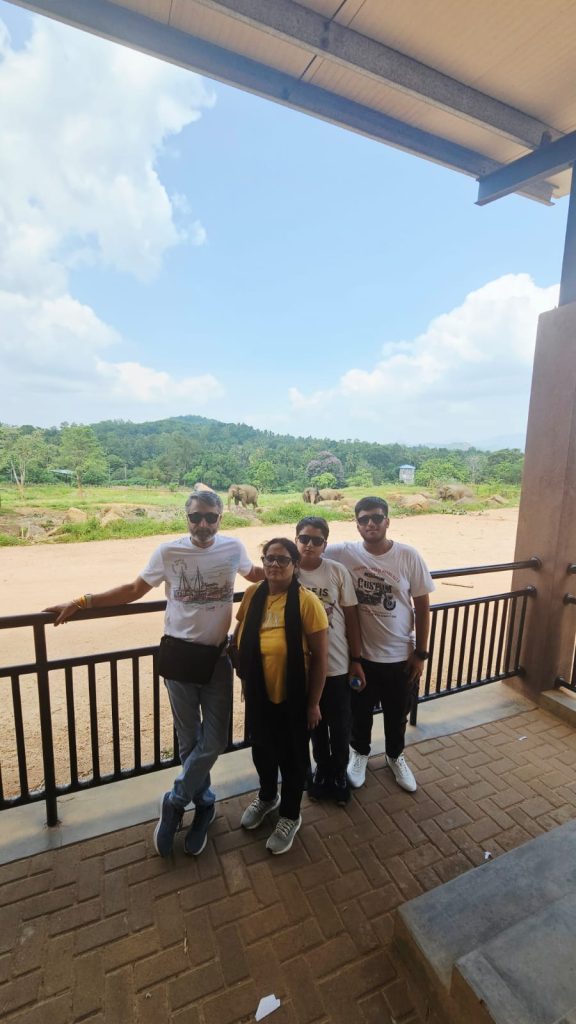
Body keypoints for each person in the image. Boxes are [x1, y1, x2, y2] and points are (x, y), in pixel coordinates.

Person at [44, 488, 263, 858]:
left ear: (221, 518)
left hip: (217, 659)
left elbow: (258, 573)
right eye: (196, 517)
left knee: (214, 740)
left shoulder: (233, 547)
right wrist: (82, 601)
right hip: (179, 659)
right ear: (186, 518)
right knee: (189, 741)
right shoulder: (168, 551)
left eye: (211, 517)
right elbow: (133, 590)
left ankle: (175, 801)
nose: (203, 524)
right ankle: (204, 804)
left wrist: (303, 565)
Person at [327, 496, 434, 793]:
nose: (370, 524)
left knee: (397, 713)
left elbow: (423, 606)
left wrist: (421, 653)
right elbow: (308, 549)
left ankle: (395, 756)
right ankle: (360, 753)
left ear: (387, 521)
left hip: (401, 656)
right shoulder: (344, 552)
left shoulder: (408, 556)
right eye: (364, 519)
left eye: (376, 518)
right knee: (359, 713)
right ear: (357, 525)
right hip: (360, 657)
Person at [232, 538, 328, 855]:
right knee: (262, 750)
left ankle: (290, 815)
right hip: (259, 694)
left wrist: (313, 703)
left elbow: (320, 658)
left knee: (293, 758)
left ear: (295, 566)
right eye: (269, 558)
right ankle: (267, 796)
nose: (274, 564)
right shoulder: (252, 594)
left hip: (294, 697)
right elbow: (240, 635)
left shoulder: (306, 602)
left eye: (282, 559)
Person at [295, 516, 365, 806]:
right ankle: (322, 770)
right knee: (314, 724)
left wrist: (356, 659)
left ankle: (339, 773)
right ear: (296, 540)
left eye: (317, 540)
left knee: (340, 724)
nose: (309, 545)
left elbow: (351, 617)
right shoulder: (289, 572)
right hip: (303, 667)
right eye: (304, 538)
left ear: (325, 544)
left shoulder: (336, 571)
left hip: (336, 663)